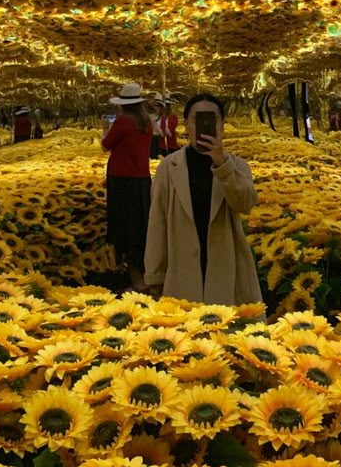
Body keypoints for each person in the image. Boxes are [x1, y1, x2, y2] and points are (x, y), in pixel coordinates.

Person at [144, 93, 262, 305]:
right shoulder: (168, 168)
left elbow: (245, 204)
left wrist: (222, 164)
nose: (203, 125)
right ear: (186, 125)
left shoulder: (236, 166)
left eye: (211, 119)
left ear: (221, 126)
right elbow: (157, 222)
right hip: (182, 271)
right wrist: (155, 274)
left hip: (225, 270)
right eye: (197, 119)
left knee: (226, 331)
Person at [101, 82, 153, 292]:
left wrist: (105, 128)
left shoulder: (123, 121)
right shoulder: (146, 122)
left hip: (122, 181)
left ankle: (136, 280)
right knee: (141, 226)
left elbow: (106, 146)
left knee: (125, 228)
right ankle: (144, 273)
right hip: (141, 181)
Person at [155, 92, 179, 156]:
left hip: (169, 147)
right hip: (159, 146)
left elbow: (169, 134)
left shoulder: (172, 117)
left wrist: (156, 126)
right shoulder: (158, 117)